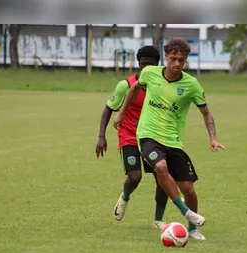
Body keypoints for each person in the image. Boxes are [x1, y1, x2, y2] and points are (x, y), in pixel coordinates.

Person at [113, 37, 225, 240]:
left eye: (181, 60)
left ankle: (192, 230)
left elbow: (206, 113)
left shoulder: (191, 84)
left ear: (186, 60)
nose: (176, 64)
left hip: (173, 141)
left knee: (189, 189)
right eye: (173, 58)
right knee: (161, 168)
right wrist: (121, 113)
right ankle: (185, 212)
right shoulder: (150, 73)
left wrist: (213, 138)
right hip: (147, 135)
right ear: (166, 57)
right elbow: (134, 88)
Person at [96, 45, 169, 230]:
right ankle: (125, 197)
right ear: (138, 63)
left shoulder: (161, 85)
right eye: (143, 64)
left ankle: (158, 220)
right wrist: (101, 136)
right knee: (135, 177)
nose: (146, 68)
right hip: (129, 135)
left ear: (157, 64)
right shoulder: (126, 85)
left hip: (152, 137)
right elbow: (108, 109)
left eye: (150, 65)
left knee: (162, 177)